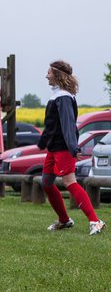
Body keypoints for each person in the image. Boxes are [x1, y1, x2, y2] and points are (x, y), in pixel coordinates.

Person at [38, 60, 104, 235]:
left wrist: (73, 148)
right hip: (53, 148)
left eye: (49, 73)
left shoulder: (64, 97)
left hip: (63, 147)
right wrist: (42, 142)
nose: (46, 76)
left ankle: (95, 221)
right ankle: (64, 220)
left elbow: (68, 124)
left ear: (57, 75)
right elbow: (52, 125)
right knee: (46, 183)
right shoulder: (57, 96)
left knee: (69, 182)